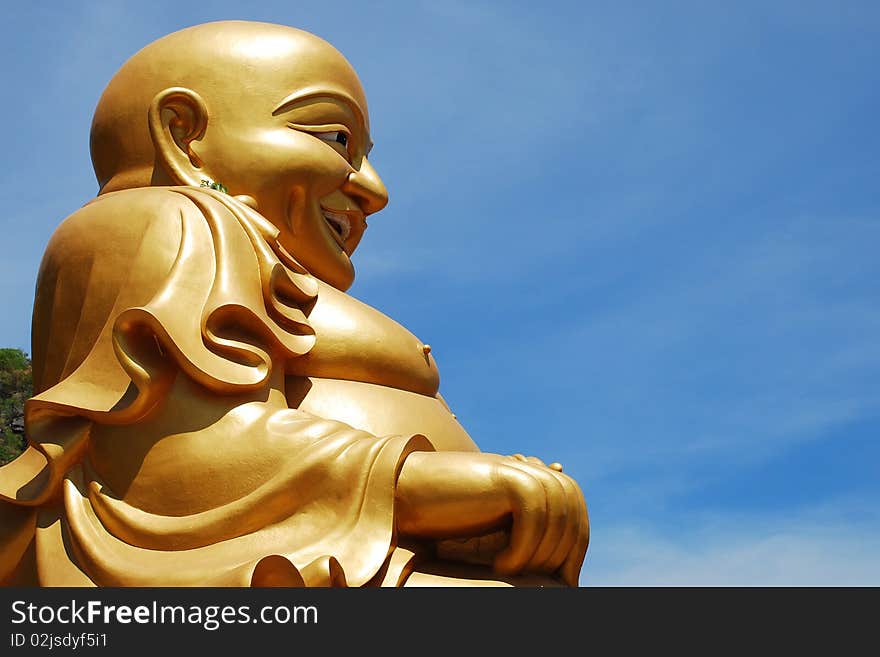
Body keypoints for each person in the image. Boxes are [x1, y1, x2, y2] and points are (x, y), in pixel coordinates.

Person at [0, 21, 588, 587]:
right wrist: (413, 485)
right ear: (183, 136)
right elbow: (159, 458)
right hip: (276, 568)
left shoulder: (256, 256)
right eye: (336, 140)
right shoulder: (163, 220)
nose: (374, 189)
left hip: (375, 553)